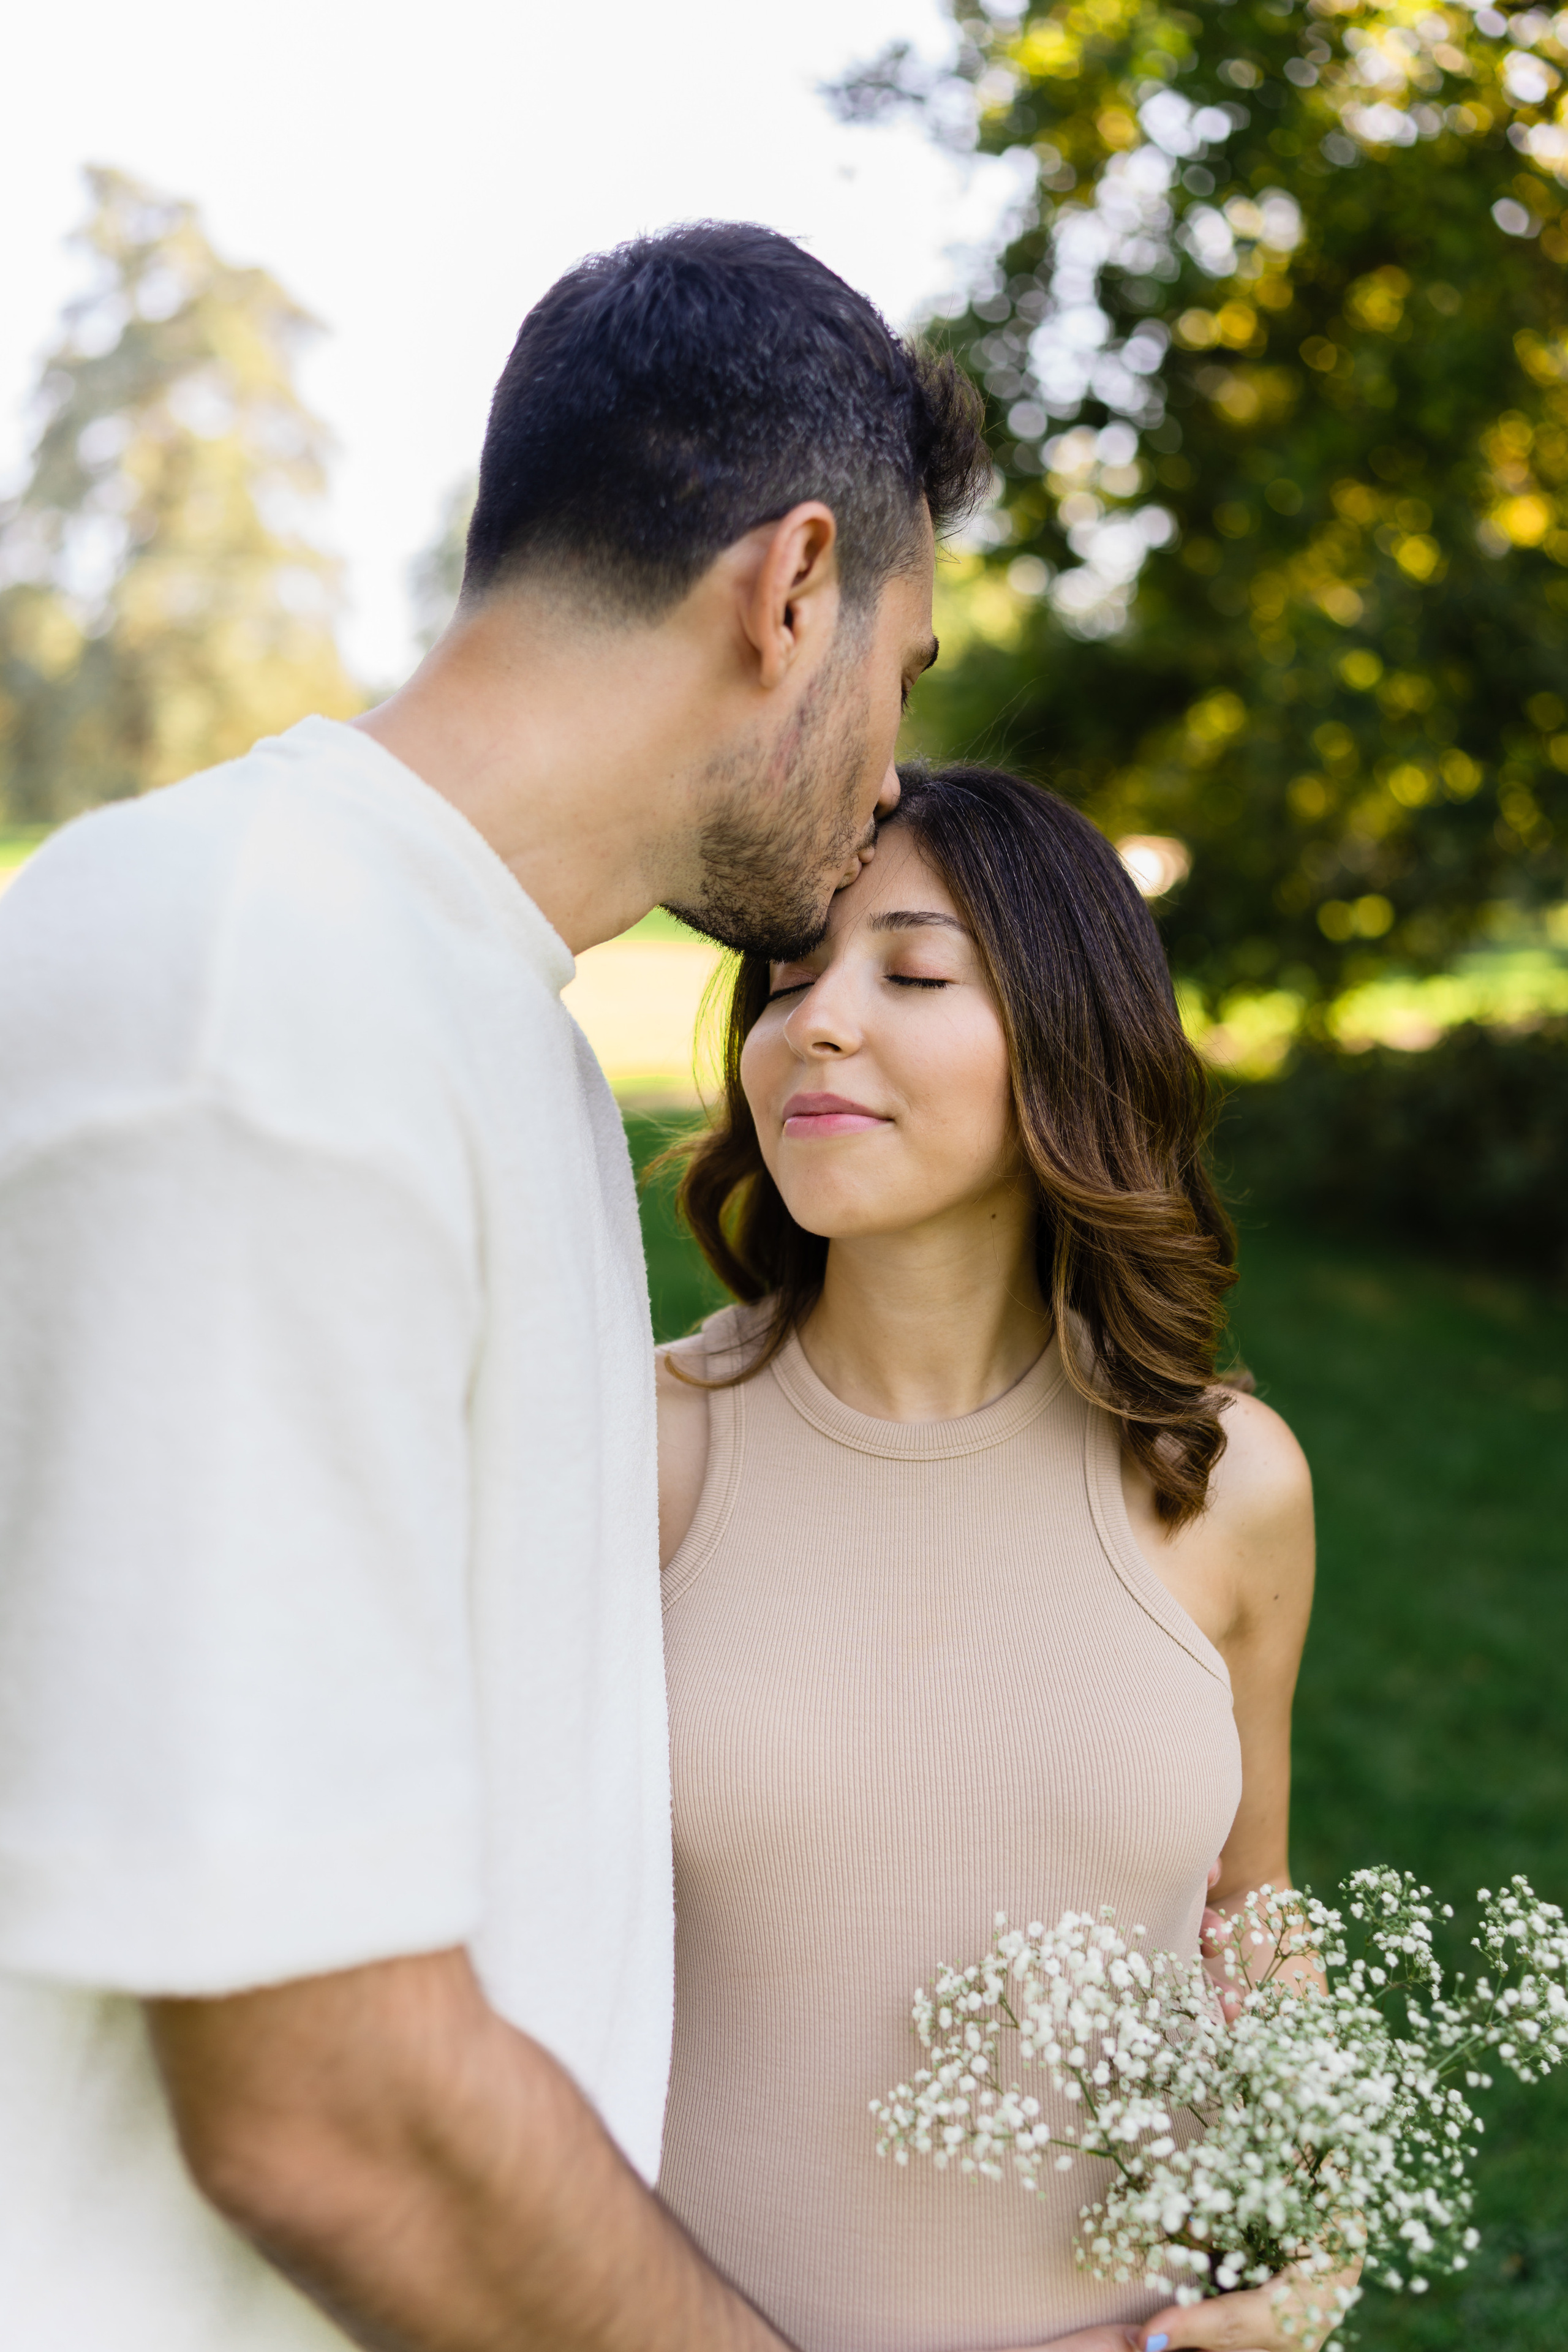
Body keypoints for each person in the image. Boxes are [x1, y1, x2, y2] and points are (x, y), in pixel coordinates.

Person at [0, 225, 990, 2352]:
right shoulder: (257, 999)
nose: (894, 774)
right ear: (792, 588)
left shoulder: (484, 1019)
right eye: (901, 673)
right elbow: (326, 2108)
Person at [654, 765, 1322, 2352]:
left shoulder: (1227, 1483)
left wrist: (1315, 2242)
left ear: (1068, 1036)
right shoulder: (642, 1454)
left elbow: (1252, 1906)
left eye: (914, 970)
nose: (813, 1023)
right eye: (787, 977)